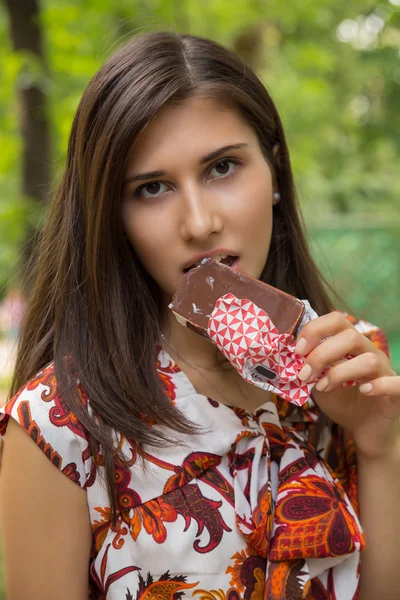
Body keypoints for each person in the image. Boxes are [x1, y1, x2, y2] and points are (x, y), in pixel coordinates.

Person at [0, 31, 399, 600]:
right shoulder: (59, 427)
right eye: (153, 188)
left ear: (275, 174)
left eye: (222, 168)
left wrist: (381, 447)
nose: (199, 222)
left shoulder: (352, 371)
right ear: (114, 219)